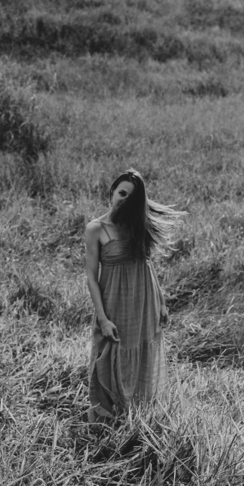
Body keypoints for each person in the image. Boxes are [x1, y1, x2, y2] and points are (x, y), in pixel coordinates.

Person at [85, 168, 185, 421]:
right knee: (109, 353)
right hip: (113, 301)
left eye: (130, 197)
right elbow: (90, 276)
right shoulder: (96, 229)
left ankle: (137, 414)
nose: (123, 200)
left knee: (143, 352)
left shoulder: (138, 226)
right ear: (111, 192)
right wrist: (102, 318)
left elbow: (147, 265)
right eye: (121, 193)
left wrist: (161, 302)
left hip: (144, 300)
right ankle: (107, 414)